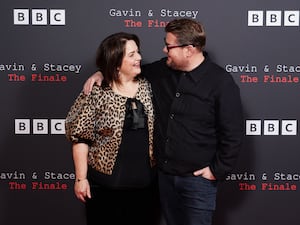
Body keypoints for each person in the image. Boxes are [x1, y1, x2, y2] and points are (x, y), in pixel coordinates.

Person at [83, 19, 243, 225]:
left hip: (197, 182)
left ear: (189, 49)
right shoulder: (160, 71)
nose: (164, 49)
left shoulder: (221, 82)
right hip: (163, 179)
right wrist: (101, 72)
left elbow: (233, 133)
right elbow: (124, 70)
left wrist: (216, 170)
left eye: (169, 45)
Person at [65, 32, 160, 225]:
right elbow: (80, 137)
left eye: (138, 52)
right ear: (116, 62)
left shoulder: (149, 85)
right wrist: (80, 179)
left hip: (146, 187)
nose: (139, 58)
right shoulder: (96, 91)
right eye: (132, 55)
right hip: (105, 187)